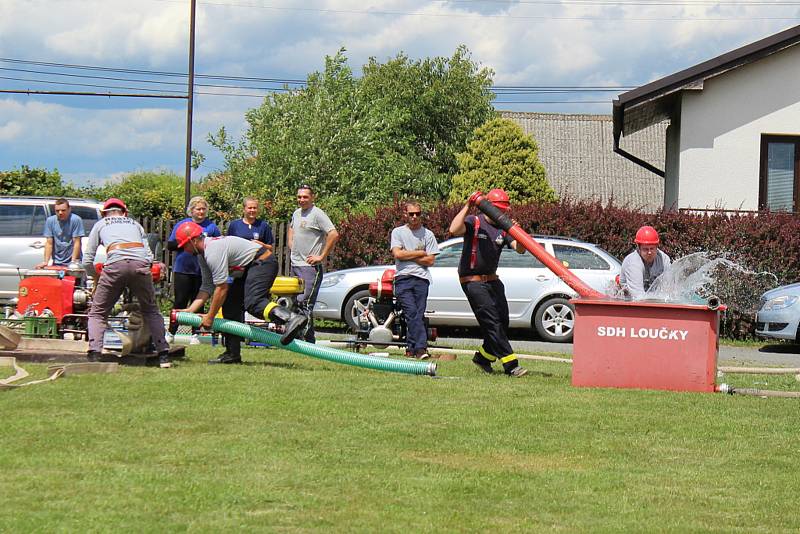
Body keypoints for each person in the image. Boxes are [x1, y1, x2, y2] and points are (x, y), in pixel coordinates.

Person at [175, 222, 307, 364]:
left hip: (262, 263)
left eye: (184, 246)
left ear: (193, 240)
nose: (184, 250)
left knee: (254, 302)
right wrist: (190, 310)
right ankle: (232, 354)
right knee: (230, 307)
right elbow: (207, 287)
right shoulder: (203, 255)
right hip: (249, 268)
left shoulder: (212, 251)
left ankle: (291, 318)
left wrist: (210, 317)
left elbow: (221, 287)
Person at [83, 198, 171, 368]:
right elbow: (149, 256)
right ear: (125, 212)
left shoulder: (101, 224)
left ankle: (94, 353)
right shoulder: (135, 224)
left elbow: (87, 260)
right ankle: (163, 355)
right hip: (140, 266)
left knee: (98, 313)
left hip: (115, 266)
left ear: (104, 213)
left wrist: (95, 276)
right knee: (151, 311)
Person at [448, 189, 528, 377]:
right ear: (488, 208)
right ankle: (511, 365)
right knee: (492, 322)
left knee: (503, 321)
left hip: (492, 280)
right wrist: (468, 205)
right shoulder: (475, 222)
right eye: (499, 209)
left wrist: (519, 234)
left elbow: (520, 250)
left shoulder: (503, 228)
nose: (503, 213)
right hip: (473, 282)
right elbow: (453, 229)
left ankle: (483, 358)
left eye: (504, 209)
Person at [287, 185, 339, 343]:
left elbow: (333, 234)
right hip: (295, 264)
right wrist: (291, 244)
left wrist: (321, 255)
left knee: (305, 303)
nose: (301, 200)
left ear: (312, 198)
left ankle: (306, 343)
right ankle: (302, 338)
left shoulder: (317, 214)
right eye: (299, 197)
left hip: (309, 267)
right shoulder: (297, 213)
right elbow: (291, 228)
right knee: (295, 303)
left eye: (305, 197)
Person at [166, 196, 221, 343]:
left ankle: (195, 334)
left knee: (198, 302)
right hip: (183, 268)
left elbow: (219, 245)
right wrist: (187, 241)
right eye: (198, 209)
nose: (201, 212)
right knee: (180, 301)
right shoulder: (182, 225)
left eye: (203, 209)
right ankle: (171, 332)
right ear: (192, 210)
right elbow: (170, 245)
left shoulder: (211, 227)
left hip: (203, 270)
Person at [390, 201, 439, 359]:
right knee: (411, 313)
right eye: (411, 214)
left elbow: (431, 261)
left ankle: (411, 349)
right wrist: (420, 253)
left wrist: (408, 254)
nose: (415, 217)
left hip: (422, 279)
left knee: (417, 314)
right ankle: (421, 349)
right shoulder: (398, 232)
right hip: (403, 278)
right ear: (405, 214)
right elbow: (398, 254)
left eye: (417, 213)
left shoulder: (428, 234)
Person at [619, 225, 672, 299]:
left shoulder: (664, 259)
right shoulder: (633, 263)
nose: (649, 252)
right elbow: (639, 297)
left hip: (649, 297)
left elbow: (670, 290)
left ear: (657, 246)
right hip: (627, 300)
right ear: (638, 248)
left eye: (652, 248)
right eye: (645, 249)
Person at [36, 198, 84, 269]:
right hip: (57, 261)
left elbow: (77, 242)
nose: (60, 213)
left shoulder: (76, 220)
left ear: (69, 209)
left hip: (73, 261)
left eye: (63, 210)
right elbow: (49, 243)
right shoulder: (50, 221)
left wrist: (73, 262)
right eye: (57, 211)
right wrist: (46, 261)